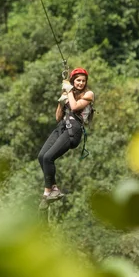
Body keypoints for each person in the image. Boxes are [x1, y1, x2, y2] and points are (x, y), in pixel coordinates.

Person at [37, 67, 94, 209]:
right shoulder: (70, 93)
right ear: (73, 81)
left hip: (73, 130)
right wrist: (61, 101)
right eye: (78, 80)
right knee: (42, 156)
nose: (80, 83)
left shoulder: (88, 94)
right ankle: (53, 189)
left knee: (49, 157)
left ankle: (47, 192)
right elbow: (57, 117)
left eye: (83, 81)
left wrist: (68, 91)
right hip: (62, 126)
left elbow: (74, 107)